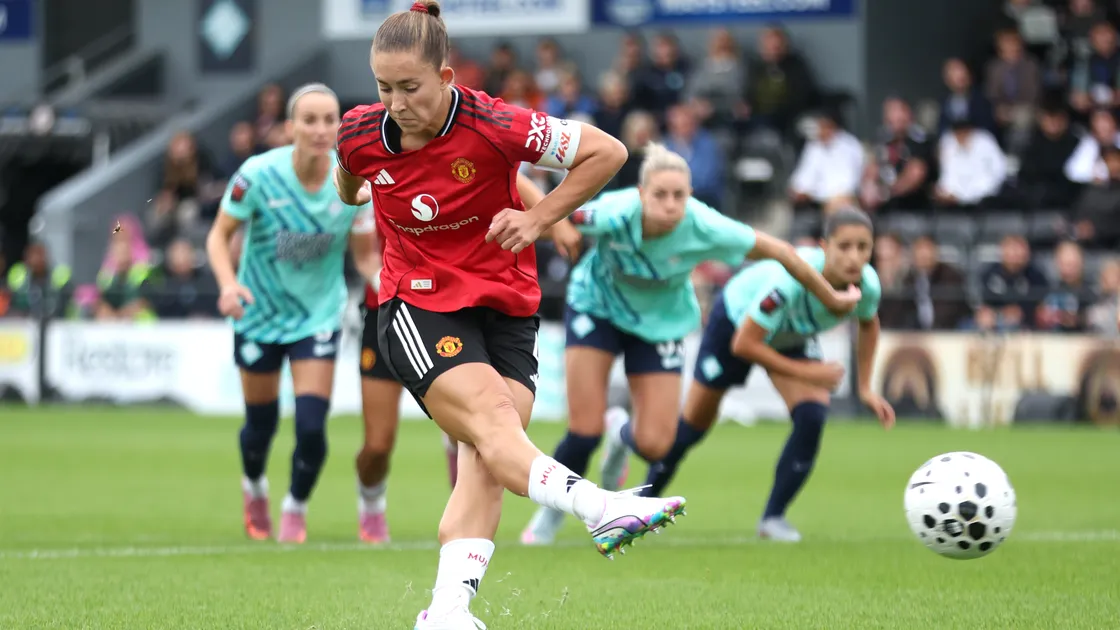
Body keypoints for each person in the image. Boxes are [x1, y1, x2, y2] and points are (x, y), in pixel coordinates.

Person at [333, 3, 690, 628]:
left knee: (490, 459)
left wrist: (539, 217)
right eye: (384, 87)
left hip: (506, 307)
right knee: (497, 428)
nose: (396, 103)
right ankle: (601, 508)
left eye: (410, 87)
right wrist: (356, 190)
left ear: (446, 76)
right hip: (418, 304)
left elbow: (607, 152)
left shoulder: (495, 122)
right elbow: (347, 174)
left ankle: (446, 613)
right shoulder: (361, 131)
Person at [520, 144, 864, 545]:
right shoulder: (615, 211)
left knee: (656, 445)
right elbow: (542, 208)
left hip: (660, 323)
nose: (670, 205)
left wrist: (830, 296)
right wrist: (557, 223)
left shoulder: (704, 225)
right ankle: (550, 516)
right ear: (641, 194)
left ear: (691, 196)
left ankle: (620, 435)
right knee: (583, 432)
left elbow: (781, 252)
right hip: (596, 308)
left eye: (679, 196)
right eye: (660, 195)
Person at [627, 207, 896, 542]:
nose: (854, 257)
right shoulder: (790, 282)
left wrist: (866, 387)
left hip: (791, 336)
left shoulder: (867, 285)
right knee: (692, 429)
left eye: (863, 247)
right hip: (735, 323)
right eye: (844, 246)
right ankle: (638, 495)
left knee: (812, 415)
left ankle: (773, 519)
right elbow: (744, 344)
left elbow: (869, 322)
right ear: (824, 247)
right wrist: (807, 372)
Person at [205, 83, 379, 544]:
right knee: (259, 427)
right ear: (289, 127)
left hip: (317, 317)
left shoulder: (354, 183)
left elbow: (366, 258)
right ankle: (254, 487)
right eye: (309, 120)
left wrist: (388, 284)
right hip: (258, 315)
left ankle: (295, 507)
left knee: (311, 427)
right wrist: (228, 284)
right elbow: (218, 236)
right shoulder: (257, 175)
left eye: (329, 120)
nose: (321, 129)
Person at [354, 171, 567, 544]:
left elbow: (513, 179)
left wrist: (548, 219)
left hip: (455, 311)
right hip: (393, 312)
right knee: (378, 444)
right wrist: (389, 284)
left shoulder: (465, 158)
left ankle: (465, 533)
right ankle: (371, 501)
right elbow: (362, 252)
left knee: (483, 432)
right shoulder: (377, 165)